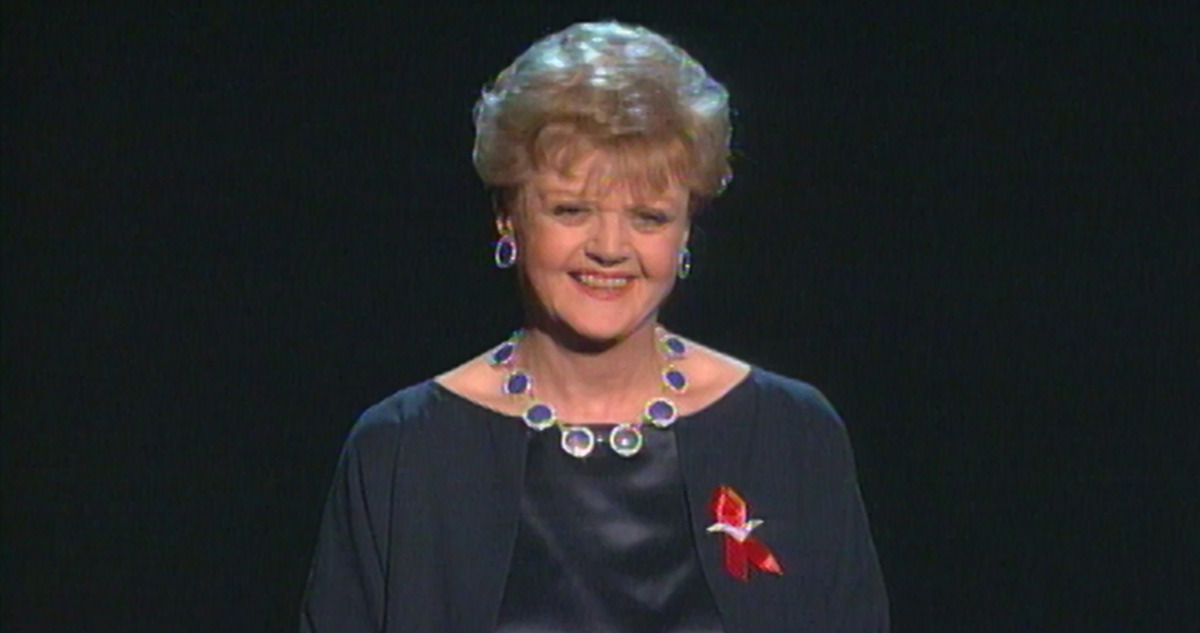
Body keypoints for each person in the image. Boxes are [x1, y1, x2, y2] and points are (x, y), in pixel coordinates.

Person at [300, 20, 888, 632]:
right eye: (571, 210)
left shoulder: (791, 436)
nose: (610, 248)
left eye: (649, 217)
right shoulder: (402, 452)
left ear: (687, 230)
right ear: (509, 217)